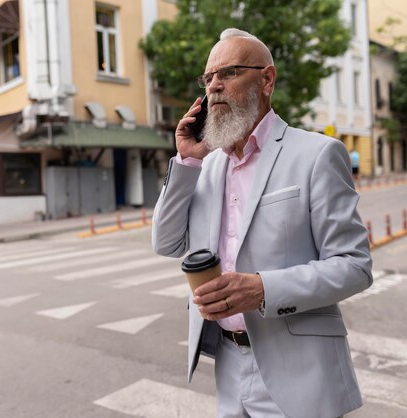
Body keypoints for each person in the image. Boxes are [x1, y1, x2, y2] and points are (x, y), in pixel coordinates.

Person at [152, 28, 372, 418]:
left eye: (229, 73)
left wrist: (263, 289)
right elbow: (167, 242)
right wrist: (186, 161)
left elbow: (354, 267)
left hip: (302, 373)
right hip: (229, 365)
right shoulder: (207, 165)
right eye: (208, 78)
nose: (214, 86)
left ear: (267, 79)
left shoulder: (317, 154)